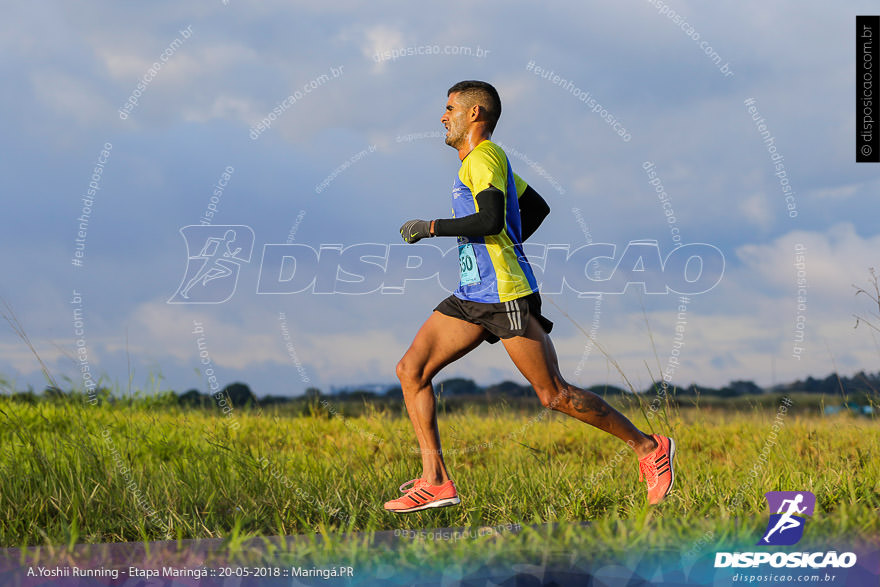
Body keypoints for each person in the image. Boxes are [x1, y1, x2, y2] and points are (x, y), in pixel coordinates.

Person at [384, 80, 675, 513]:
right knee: (411, 370)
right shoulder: (484, 161)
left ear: (475, 114)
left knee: (553, 394)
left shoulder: (482, 157)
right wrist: (509, 245)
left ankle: (649, 447)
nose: (443, 117)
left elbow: (490, 218)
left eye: (449, 109)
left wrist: (432, 228)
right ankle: (436, 480)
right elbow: (535, 207)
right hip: (473, 293)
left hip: (504, 295)